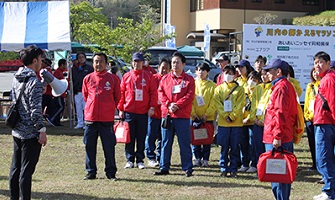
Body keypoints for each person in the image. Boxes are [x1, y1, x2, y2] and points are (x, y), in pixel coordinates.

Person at [9, 45, 47, 200]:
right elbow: (35, 110)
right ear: (34, 60)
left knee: (15, 168)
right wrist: (42, 130)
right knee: (26, 170)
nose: (41, 63)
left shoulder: (16, 77)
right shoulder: (34, 82)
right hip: (30, 132)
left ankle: (13, 197)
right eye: (40, 60)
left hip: (17, 129)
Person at [154, 52, 195, 177]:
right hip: (167, 115)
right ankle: (164, 166)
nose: (175, 65)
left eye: (177, 62)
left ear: (183, 64)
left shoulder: (189, 79)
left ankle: (187, 167)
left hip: (182, 116)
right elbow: (160, 93)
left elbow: (190, 95)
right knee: (165, 142)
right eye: (173, 62)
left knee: (184, 142)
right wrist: (168, 104)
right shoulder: (165, 78)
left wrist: (177, 105)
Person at [262, 58, 298, 200]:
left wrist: (277, 136)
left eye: (270, 71)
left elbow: (280, 113)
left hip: (277, 137)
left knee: (278, 175)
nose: (268, 74)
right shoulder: (284, 86)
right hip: (280, 135)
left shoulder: (281, 87)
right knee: (278, 174)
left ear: (278, 72)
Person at [82, 52, 121, 181]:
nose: (98, 64)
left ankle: (111, 172)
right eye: (96, 61)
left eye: (101, 61)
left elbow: (117, 97)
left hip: (106, 119)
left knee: (109, 147)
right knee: (89, 146)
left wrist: (109, 108)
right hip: (91, 118)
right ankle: (91, 172)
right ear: (93, 63)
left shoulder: (113, 79)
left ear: (106, 63)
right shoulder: (87, 78)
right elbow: (86, 96)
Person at [118, 52, 158, 170]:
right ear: (132, 63)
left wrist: (152, 107)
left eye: (139, 61)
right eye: (135, 61)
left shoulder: (148, 76)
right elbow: (121, 94)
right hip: (129, 110)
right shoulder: (126, 76)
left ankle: (140, 159)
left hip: (143, 112)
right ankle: (130, 159)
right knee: (129, 136)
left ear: (143, 63)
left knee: (141, 136)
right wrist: (120, 109)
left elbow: (153, 93)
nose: (137, 64)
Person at [214, 64, 245, 178]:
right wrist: (225, 115)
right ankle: (223, 168)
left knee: (235, 147)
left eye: (231, 73)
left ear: (235, 75)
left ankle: (233, 169)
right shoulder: (218, 89)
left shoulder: (240, 89)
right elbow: (218, 104)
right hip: (223, 123)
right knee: (224, 147)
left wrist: (232, 116)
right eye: (226, 73)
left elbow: (240, 104)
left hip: (236, 122)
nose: (228, 75)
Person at [312, 52, 335, 200]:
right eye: (315, 62)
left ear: (328, 63)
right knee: (324, 158)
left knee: (324, 158)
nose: (317, 65)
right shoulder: (325, 79)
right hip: (323, 122)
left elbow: (332, 102)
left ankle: (329, 191)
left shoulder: (328, 79)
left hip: (326, 123)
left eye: (321, 62)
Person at [145, 58, 170, 167]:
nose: (164, 70)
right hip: (154, 112)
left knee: (162, 137)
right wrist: (151, 107)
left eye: (167, 68)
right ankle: (151, 157)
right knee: (151, 135)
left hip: (165, 114)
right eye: (163, 67)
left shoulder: (169, 79)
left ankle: (160, 157)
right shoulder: (153, 78)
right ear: (158, 67)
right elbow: (149, 94)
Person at [191, 63, 216, 167]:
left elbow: (214, 102)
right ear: (196, 71)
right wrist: (193, 114)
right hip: (195, 117)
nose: (201, 72)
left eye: (203, 70)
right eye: (199, 70)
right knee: (195, 139)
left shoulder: (213, 86)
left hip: (207, 118)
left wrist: (207, 114)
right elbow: (190, 100)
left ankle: (205, 159)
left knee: (206, 139)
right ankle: (197, 158)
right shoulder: (192, 84)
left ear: (208, 72)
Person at [249, 69, 272, 176]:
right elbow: (254, 104)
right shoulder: (258, 88)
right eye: (262, 75)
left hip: (268, 123)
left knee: (267, 148)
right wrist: (254, 118)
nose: (263, 77)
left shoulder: (273, 87)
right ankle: (258, 167)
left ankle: (266, 168)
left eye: (265, 74)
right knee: (256, 145)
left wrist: (265, 121)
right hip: (257, 122)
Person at [235, 59, 255, 173]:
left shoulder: (252, 80)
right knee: (242, 142)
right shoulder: (237, 81)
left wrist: (250, 117)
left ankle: (253, 163)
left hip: (251, 118)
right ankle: (244, 163)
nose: (240, 69)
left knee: (252, 143)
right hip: (240, 118)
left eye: (242, 67)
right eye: (238, 67)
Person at [304, 67, 320, 172]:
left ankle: (320, 165)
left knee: (320, 144)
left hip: (319, 119)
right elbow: (307, 102)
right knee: (312, 142)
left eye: (316, 72)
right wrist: (306, 115)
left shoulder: (323, 84)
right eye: (313, 72)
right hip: (310, 119)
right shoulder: (310, 86)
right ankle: (314, 163)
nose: (315, 74)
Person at [72, 52, 94, 129]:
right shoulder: (74, 68)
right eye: (80, 57)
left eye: (82, 57)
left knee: (86, 108)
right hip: (77, 91)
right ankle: (80, 122)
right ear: (77, 59)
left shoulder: (89, 68)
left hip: (87, 92)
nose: (81, 59)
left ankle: (86, 122)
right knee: (78, 107)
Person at [45, 59, 67, 126]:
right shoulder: (58, 72)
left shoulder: (61, 72)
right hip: (58, 93)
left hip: (61, 93)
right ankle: (51, 118)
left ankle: (57, 122)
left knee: (59, 107)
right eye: (65, 64)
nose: (66, 66)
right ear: (62, 65)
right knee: (60, 107)